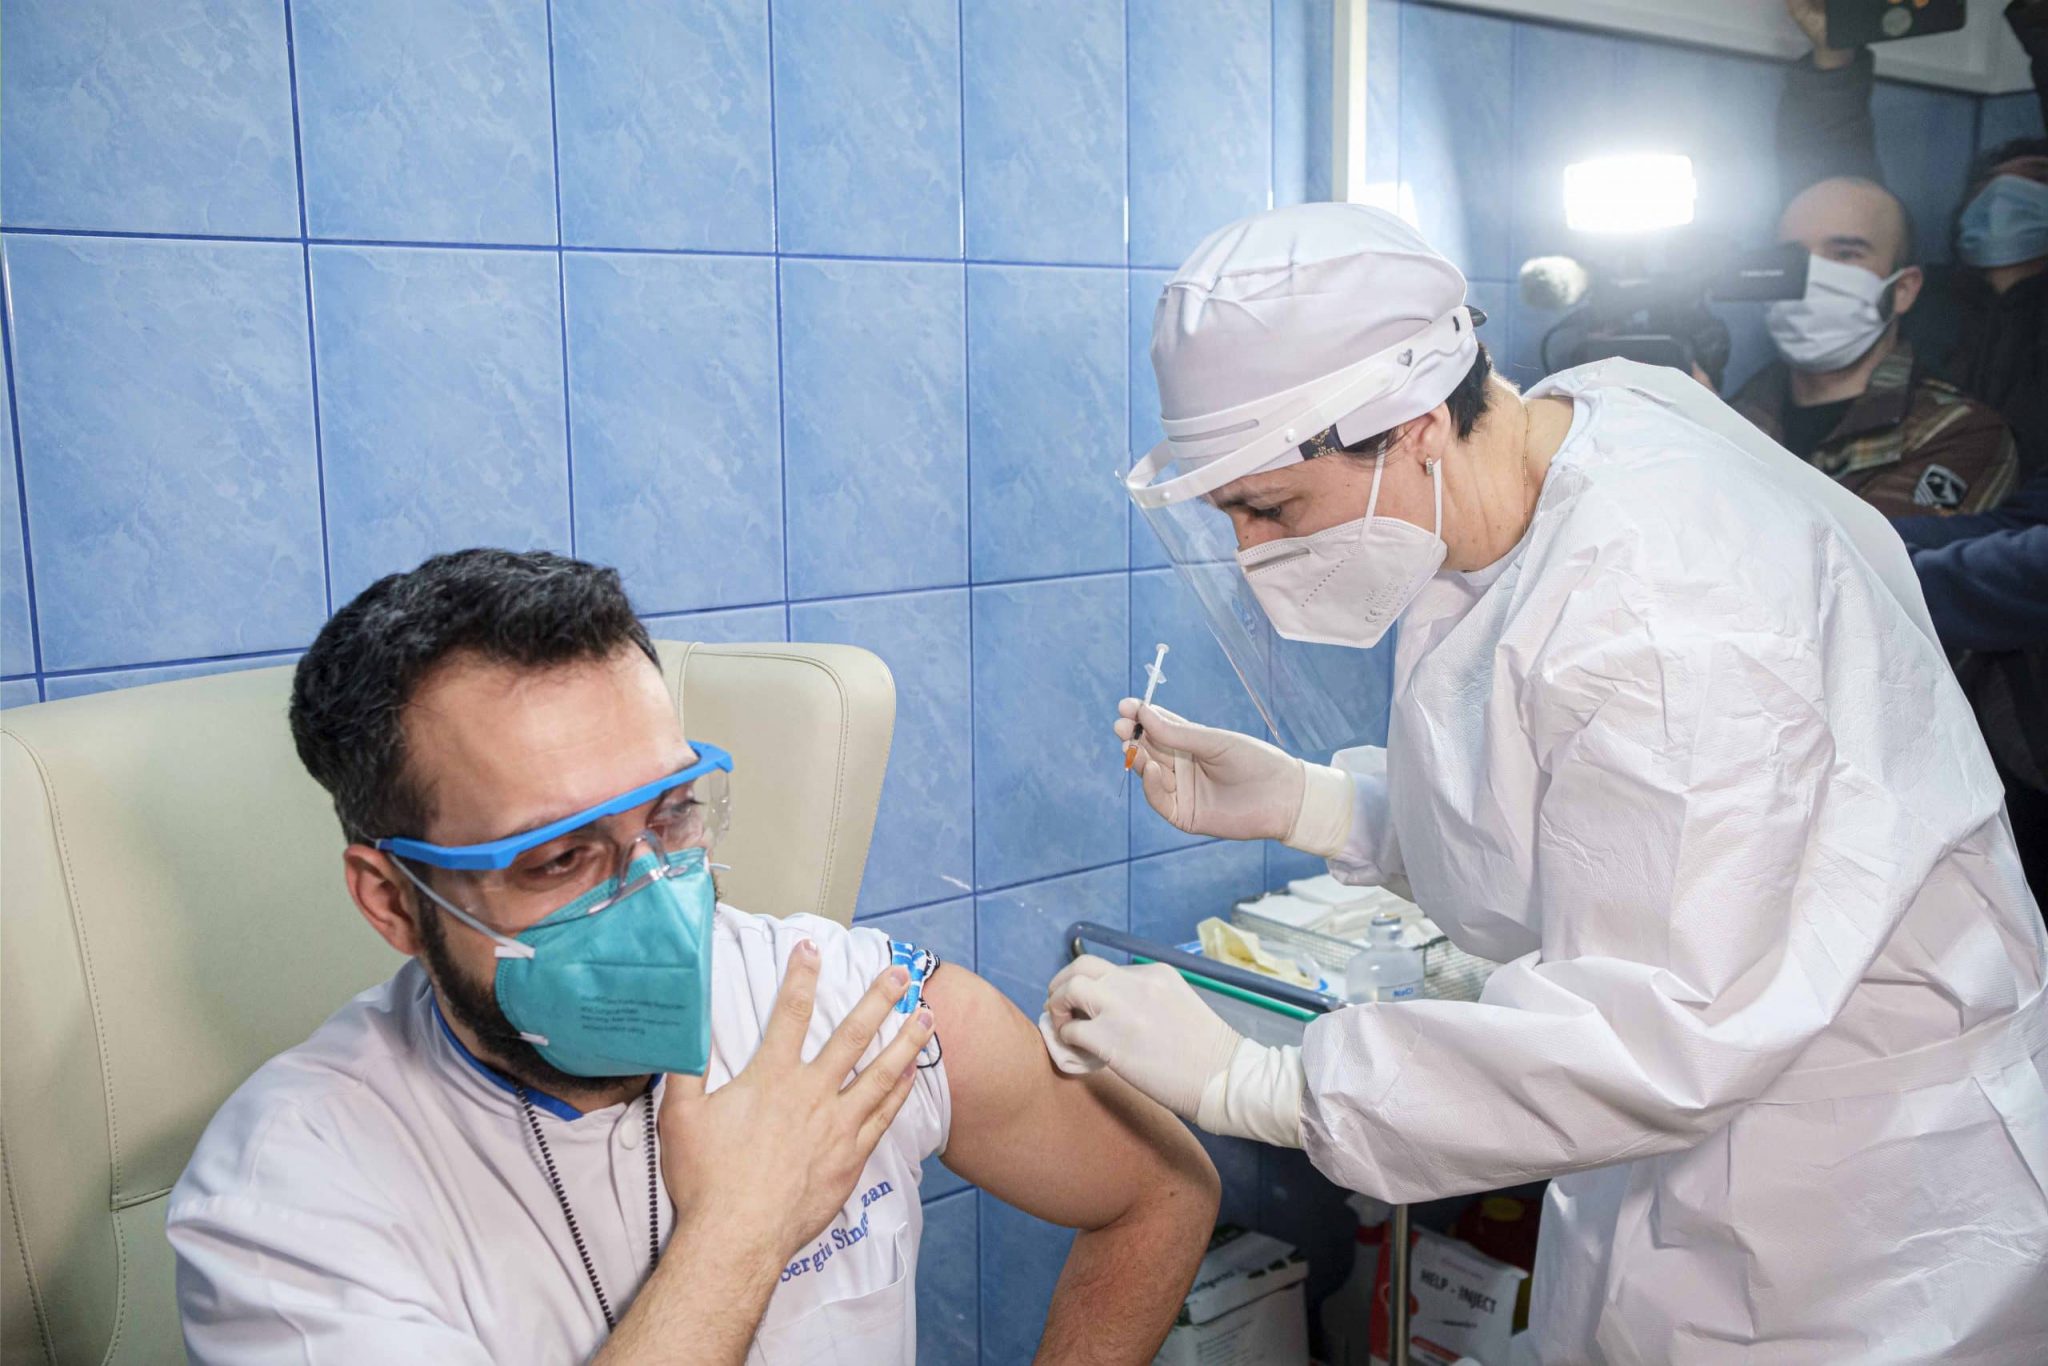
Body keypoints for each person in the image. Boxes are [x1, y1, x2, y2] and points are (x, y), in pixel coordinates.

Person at [1046, 203, 2048, 1362]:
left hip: (1858, 1228)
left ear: (1414, 425)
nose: (1252, 553)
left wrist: (1259, 1081)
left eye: (1268, 508)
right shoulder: (1546, 457)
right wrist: (1322, 805)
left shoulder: (1673, 610)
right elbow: (1595, 836)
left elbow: (1652, 1031)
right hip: (1683, 1178)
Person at [167, 549, 1218, 1365]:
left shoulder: (846, 1000)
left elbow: (1159, 1192)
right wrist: (744, 1224)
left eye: (669, 815)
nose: (654, 901)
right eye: (559, 858)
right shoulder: (285, 1202)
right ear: (393, 899)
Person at [1779, 0, 2048, 474]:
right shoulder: (1926, 302)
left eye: (2035, 181)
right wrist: (1834, 58)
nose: (2004, 199)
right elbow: (1842, 200)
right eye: (1990, 186)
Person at [1733, 175, 2019, 514]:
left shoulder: (1958, 432)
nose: (1811, 274)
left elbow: (1865, 547)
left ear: (1902, 290)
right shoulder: (1732, 415)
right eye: (1792, 257)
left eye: (1844, 254)